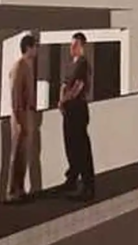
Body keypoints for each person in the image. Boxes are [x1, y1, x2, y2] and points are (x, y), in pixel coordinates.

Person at [59, 32, 95, 201]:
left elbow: (78, 86)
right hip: (69, 110)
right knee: (70, 145)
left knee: (81, 148)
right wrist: (61, 100)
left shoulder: (83, 64)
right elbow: (65, 84)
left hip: (78, 109)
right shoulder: (70, 64)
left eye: (75, 45)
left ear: (81, 46)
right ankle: (72, 179)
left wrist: (66, 99)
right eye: (71, 45)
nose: (71, 48)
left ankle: (88, 186)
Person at [5, 34, 37, 204]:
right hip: (20, 115)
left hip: (26, 114)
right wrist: (20, 119)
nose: (36, 50)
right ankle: (12, 191)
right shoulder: (19, 67)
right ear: (28, 48)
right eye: (35, 47)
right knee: (17, 154)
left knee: (23, 154)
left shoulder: (27, 66)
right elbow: (15, 94)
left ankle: (20, 189)